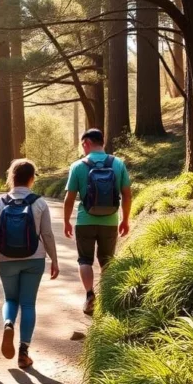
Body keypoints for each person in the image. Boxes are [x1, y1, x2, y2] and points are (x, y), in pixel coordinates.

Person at [0, 159, 59, 369]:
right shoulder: (39, 202)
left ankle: (8, 323)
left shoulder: (2, 203)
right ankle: (23, 352)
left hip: (7, 259)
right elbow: (47, 234)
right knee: (28, 304)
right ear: (31, 178)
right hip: (34, 259)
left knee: (11, 299)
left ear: (11, 177)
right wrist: (54, 259)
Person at [62, 128, 132, 316]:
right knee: (106, 260)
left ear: (86, 143)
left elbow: (69, 198)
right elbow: (127, 195)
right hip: (110, 220)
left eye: (82, 145)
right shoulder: (118, 163)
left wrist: (67, 221)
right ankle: (107, 299)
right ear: (102, 142)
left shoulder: (78, 166)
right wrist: (125, 220)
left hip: (85, 221)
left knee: (85, 259)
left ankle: (90, 296)